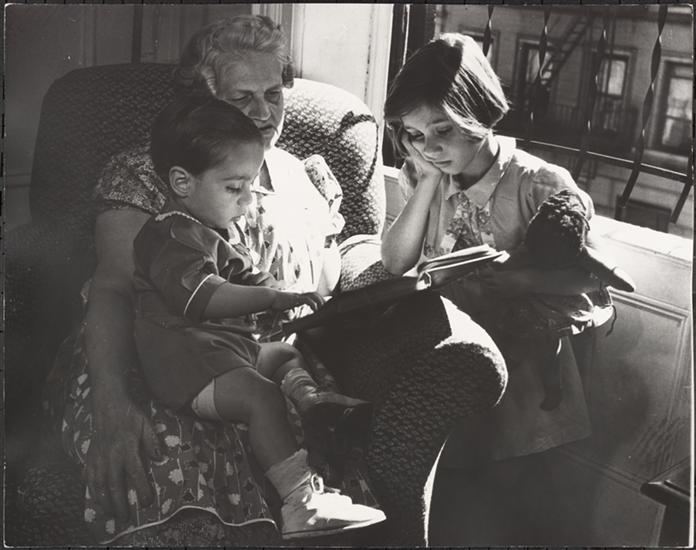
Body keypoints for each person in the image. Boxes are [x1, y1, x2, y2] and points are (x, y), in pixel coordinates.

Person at [56, 15, 380, 544]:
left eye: (273, 94)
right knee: (168, 463)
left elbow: (329, 274)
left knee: (315, 447)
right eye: (242, 97)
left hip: (260, 354)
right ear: (203, 101)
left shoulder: (303, 177)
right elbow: (113, 289)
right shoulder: (151, 171)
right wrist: (111, 402)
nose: (263, 113)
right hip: (158, 353)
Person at [131, 94, 383, 539]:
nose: (248, 201)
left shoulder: (213, 230)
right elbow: (204, 299)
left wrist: (277, 291)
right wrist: (268, 297)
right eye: (234, 188)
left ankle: (312, 401)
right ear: (182, 182)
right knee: (262, 397)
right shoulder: (168, 234)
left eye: (250, 184)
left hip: (221, 351)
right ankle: (301, 504)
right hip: (186, 365)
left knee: (283, 354)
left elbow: (244, 275)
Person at [382, 33, 602, 474]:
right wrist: (428, 182)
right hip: (455, 356)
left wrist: (523, 280)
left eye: (443, 131)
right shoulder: (426, 172)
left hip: (526, 367)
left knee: (511, 481)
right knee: (453, 473)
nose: (429, 148)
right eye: (416, 135)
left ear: (479, 113)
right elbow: (394, 261)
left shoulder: (537, 183)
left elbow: (597, 277)